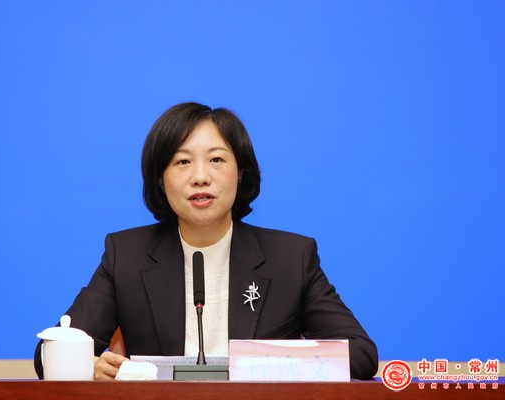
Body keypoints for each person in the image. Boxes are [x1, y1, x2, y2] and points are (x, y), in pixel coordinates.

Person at [34, 102, 378, 380]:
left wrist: (270, 366)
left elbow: (361, 355)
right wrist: (89, 366)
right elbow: (48, 355)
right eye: (182, 162)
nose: (200, 177)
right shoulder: (126, 256)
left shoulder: (291, 258)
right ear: (161, 179)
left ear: (240, 173)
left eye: (216, 160)